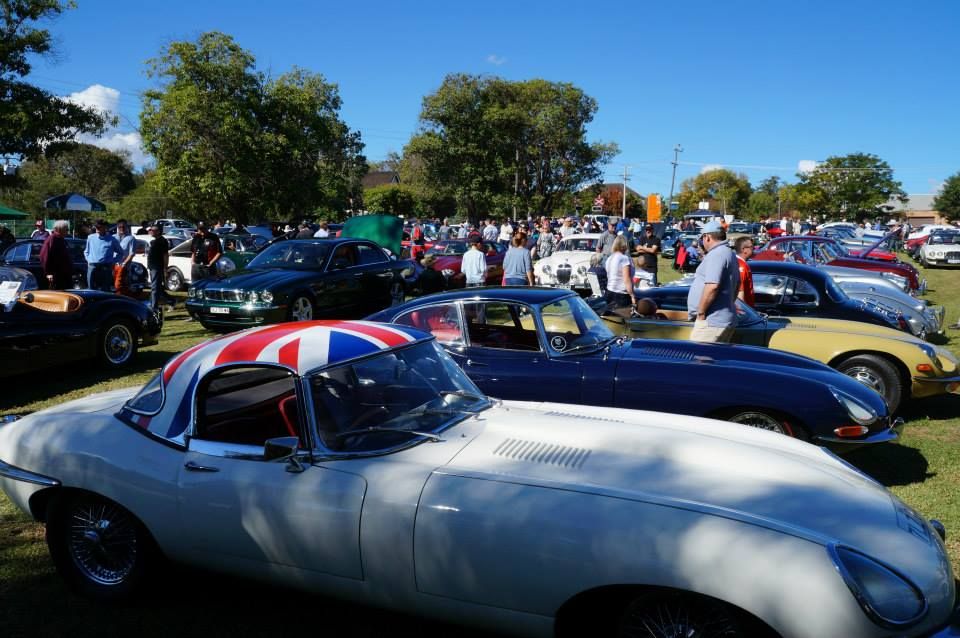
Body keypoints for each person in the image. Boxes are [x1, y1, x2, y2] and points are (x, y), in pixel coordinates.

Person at [686, 220, 739, 343]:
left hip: (711, 322)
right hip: (719, 319)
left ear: (707, 237)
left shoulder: (717, 254)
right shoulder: (728, 253)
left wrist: (701, 313)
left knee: (699, 360)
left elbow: (712, 286)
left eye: (702, 238)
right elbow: (737, 286)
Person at [83, 219, 122, 291]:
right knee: (91, 289)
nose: (97, 229)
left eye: (99, 227)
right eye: (96, 227)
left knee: (105, 290)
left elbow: (120, 253)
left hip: (106, 267)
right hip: (92, 267)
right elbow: (86, 251)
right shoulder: (90, 237)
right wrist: (88, 260)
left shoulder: (112, 239)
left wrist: (113, 261)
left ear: (105, 228)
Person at [147, 224, 177, 311]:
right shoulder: (154, 241)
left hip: (157, 267)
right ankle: (171, 300)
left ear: (158, 231)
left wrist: (165, 268)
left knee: (155, 288)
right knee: (157, 288)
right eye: (151, 230)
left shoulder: (162, 241)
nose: (151, 231)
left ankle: (153, 307)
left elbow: (165, 255)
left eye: (153, 230)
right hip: (152, 267)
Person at [604, 235, 635, 311]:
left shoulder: (609, 258)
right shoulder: (624, 258)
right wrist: (632, 295)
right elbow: (626, 279)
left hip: (609, 291)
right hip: (621, 294)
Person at [39, 220, 73, 289]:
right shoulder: (51, 239)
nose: (67, 231)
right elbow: (44, 256)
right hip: (55, 276)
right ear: (60, 229)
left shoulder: (61, 239)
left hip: (63, 275)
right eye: (66, 229)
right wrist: (48, 273)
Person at [734, 236, 755, 307]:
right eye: (751, 247)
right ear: (743, 249)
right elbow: (740, 291)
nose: (754, 249)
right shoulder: (741, 266)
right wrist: (743, 312)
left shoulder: (738, 262)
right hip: (744, 308)